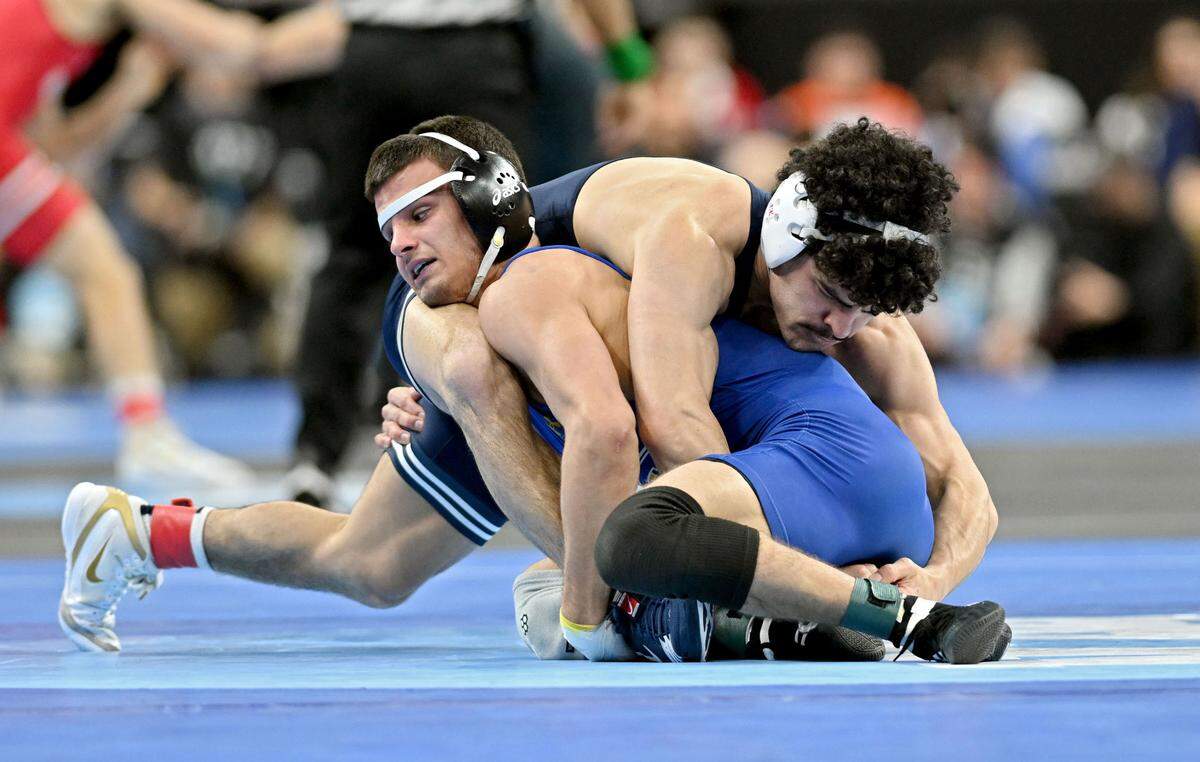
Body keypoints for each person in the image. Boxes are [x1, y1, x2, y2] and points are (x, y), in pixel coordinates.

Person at [58, 116, 1005, 665]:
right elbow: (674, 437)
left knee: (368, 566)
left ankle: (139, 533)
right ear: (789, 240)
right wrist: (713, 586)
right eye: (829, 301)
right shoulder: (690, 239)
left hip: (556, 334)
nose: (840, 329)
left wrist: (934, 578)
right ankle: (593, 608)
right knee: (515, 392)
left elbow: (958, 476)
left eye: (862, 315)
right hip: (474, 288)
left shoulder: (862, 314)